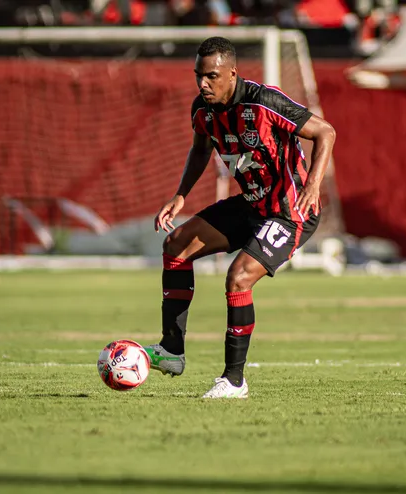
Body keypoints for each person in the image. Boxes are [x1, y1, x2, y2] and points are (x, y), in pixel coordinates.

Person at [143, 36, 336, 398]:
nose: (203, 84)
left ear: (232, 74)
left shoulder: (265, 102)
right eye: (199, 75)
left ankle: (234, 381)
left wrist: (313, 187)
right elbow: (200, 148)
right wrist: (181, 195)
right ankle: (172, 351)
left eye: (212, 76)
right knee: (176, 245)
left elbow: (325, 132)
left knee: (238, 277)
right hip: (251, 205)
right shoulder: (202, 110)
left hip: (289, 212)